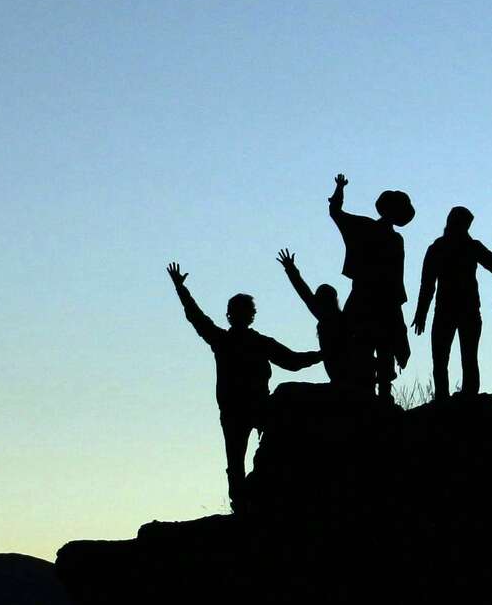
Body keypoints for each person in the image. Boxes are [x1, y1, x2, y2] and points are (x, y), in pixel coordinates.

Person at [167, 261, 322, 508]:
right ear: (247, 315)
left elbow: (292, 361)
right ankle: (243, 502)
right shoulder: (237, 341)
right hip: (239, 410)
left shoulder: (232, 340)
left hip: (247, 408)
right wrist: (321, 355)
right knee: (238, 458)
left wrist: (320, 355)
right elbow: (292, 361)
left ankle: (249, 498)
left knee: (240, 457)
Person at [411, 206, 492, 401]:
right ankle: (446, 397)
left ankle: (465, 395)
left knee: (461, 357)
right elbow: (427, 284)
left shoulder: (458, 247)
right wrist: (421, 313)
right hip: (451, 310)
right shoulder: (443, 248)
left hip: (461, 311)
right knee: (446, 358)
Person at [327, 172, 413, 400]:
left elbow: (396, 275)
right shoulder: (366, 228)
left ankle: (379, 396)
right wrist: (340, 189)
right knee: (364, 345)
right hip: (370, 298)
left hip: (382, 300)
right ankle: (367, 394)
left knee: (380, 349)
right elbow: (336, 212)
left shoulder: (393, 238)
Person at [275, 248, 372, 393]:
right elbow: (304, 293)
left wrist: (291, 269)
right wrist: (291, 269)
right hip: (344, 378)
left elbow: (305, 293)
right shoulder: (337, 318)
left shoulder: (337, 320)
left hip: (349, 378)